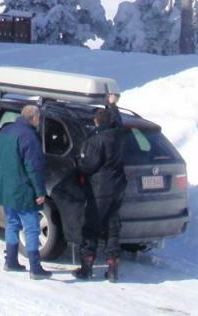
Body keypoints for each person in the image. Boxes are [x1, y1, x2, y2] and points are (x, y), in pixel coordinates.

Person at [0, 104, 49, 279]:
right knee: (31, 228)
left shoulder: (6, 132)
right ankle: (35, 268)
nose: (39, 121)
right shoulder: (30, 137)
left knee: (12, 223)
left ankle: (11, 261)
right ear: (34, 118)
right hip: (22, 189)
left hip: (5, 187)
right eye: (39, 118)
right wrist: (40, 192)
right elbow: (33, 167)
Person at [75, 93, 127, 282]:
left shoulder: (96, 140)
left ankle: (86, 269)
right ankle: (113, 270)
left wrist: (79, 163)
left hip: (99, 189)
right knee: (113, 228)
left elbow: (89, 165)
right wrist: (112, 105)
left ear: (96, 122)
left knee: (91, 229)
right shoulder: (118, 134)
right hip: (117, 188)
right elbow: (119, 121)